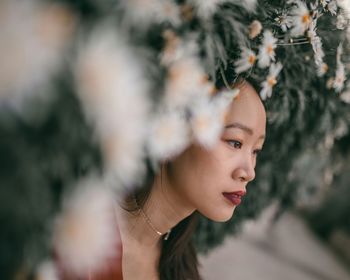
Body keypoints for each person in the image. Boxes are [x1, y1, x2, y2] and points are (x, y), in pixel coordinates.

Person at [57, 80, 266, 280]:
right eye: (235, 142)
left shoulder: (181, 272)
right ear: (178, 128)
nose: (249, 172)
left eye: (256, 151)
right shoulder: (80, 223)